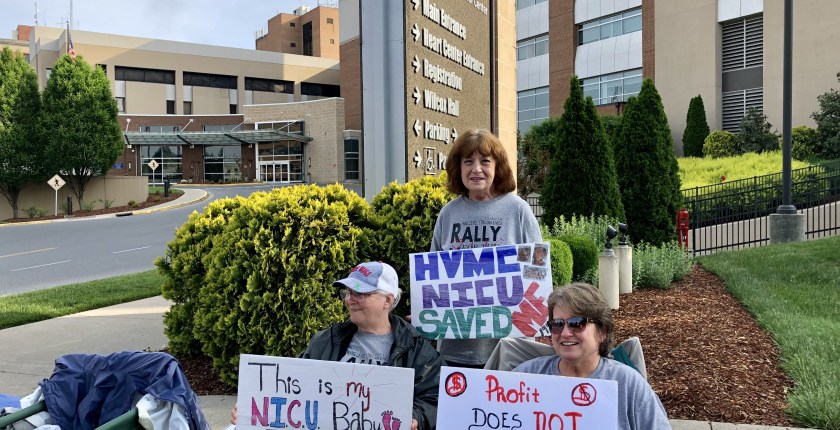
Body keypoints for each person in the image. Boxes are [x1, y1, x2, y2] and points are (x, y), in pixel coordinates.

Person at [232, 262, 441, 430]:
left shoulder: (416, 348)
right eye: (348, 293)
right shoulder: (326, 340)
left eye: (361, 293)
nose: (350, 300)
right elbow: (291, 387)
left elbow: (433, 397)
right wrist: (255, 406)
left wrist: (415, 419)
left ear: (387, 299)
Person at [431, 128, 543, 368]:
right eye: (468, 161)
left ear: (498, 166)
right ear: (458, 168)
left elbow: (536, 272)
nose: (476, 169)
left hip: (507, 348)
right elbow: (433, 276)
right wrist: (427, 308)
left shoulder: (517, 210)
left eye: (485, 161)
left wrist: (534, 322)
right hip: (455, 348)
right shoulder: (448, 214)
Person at [513, 283, 670, 430]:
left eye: (576, 323)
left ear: (602, 332)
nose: (565, 333)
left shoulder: (628, 384)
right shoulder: (525, 377)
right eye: (558, 324)